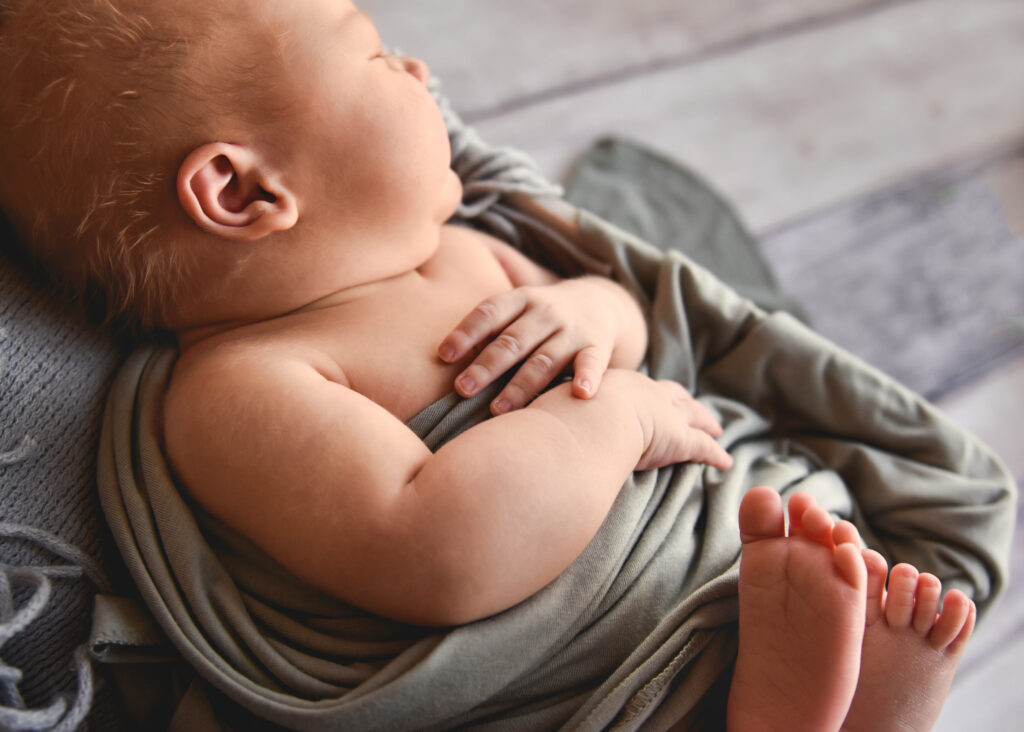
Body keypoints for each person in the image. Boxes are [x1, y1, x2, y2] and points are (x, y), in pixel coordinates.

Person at [0, 0, 979, 728]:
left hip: (707, 535)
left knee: (803, 535)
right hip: (588, 650)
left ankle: (843, 695)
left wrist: (591, 311)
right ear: (243, 188)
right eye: (375, 55)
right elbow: (436, 551)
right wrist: (614, 422)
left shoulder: (472, 244)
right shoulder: (243, 384)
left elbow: (634, 326)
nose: (420, 69)